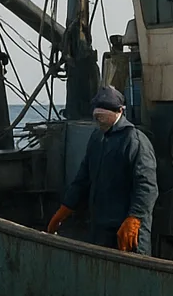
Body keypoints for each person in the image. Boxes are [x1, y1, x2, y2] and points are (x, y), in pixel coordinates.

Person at [46, 86, 159, 254]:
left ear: (120, 111)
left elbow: (147, 186)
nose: (98, 114)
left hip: (129, 230)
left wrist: (135, 218)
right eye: (97, 109)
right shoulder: (97, 138)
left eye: (104, 109)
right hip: (101, 228)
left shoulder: (135, 141)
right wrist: (66, 208)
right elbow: (82, 179)